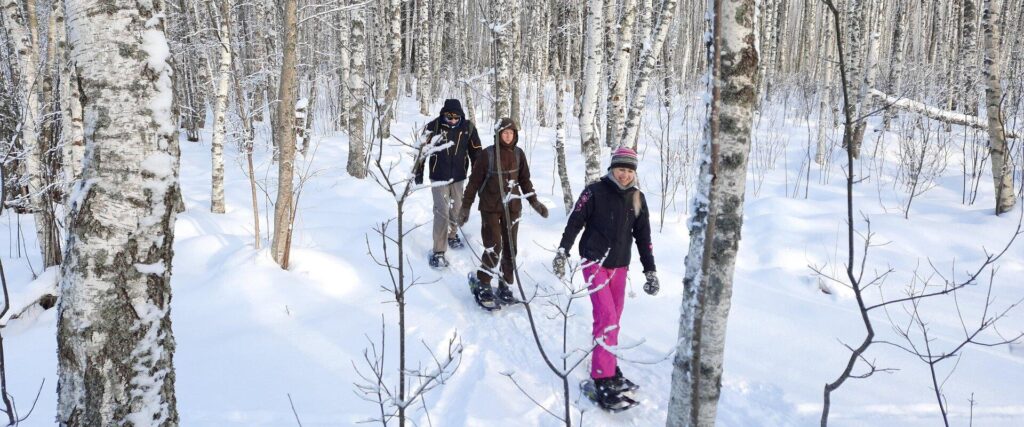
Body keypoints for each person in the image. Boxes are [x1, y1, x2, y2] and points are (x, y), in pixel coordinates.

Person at [551, 146, 659, 410]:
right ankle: (601, 375)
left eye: (629, 170)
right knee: (607, 318)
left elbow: (643, 237)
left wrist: (650, 270)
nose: (624, 175)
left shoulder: (637, 197)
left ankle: (608, 363)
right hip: (594, 261)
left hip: (620, 266)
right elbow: (575, 222)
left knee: (613, 319)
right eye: (620, 169)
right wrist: (562, 251)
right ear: (612, 168)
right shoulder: (594, 192)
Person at [458, 118, 548, 306]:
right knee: (494, 246)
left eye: (511, 133)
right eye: (504, 133)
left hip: (512, 208)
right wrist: (465, 207)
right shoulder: (487, 155)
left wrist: (534, 202)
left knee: (510, 248)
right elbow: (473, 183)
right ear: (498, 135)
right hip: (490, 207)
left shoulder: (518, 154)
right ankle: (483, 282)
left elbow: (525, 181)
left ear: (515, 135)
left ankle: (505, 284)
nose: (508, 136)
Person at [415, 99, 482, 268]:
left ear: (461, 116)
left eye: (455, 117)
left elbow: (476, 153)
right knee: (441, 211)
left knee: (457, 208)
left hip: (459, 176)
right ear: (443, 114)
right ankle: (439, 251)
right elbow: (421, 151)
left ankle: (452, 235)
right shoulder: (434, 126)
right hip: (439, 176)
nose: (452, 120)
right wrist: (418, 172)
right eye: (449, 116)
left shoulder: (468, 128)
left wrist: (478, 174)